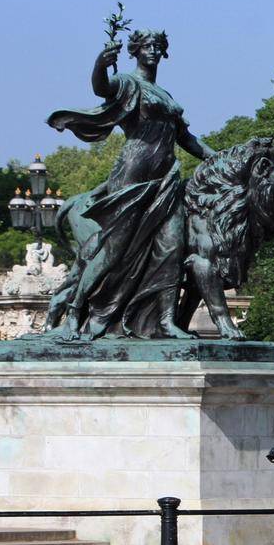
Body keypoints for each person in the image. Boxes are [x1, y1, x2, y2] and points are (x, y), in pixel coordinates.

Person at [45, 28, 217, 339]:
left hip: (165, 180)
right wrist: (100, 63)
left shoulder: (165, 95)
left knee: (172, 248)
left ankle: (166, 321)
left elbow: (187, 140)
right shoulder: (127, 82)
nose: (153, 50)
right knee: (113, 253)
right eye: (147, 46)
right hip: (132, 177)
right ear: (136, 50)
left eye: (158, 46)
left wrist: (220, 159)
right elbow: (102, 87)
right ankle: (74, 310)